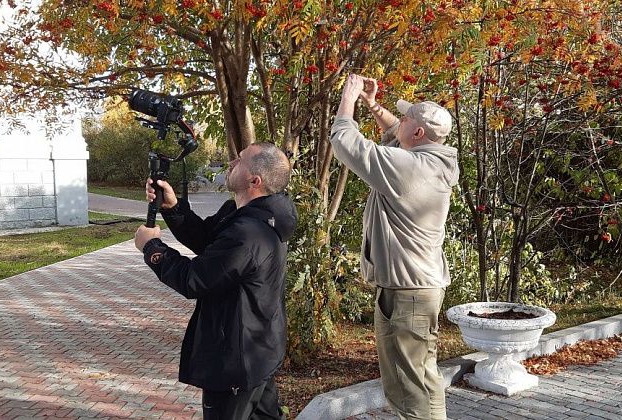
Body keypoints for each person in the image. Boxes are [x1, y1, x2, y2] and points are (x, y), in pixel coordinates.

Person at [134, 142, 296, 420]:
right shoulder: (246, 216)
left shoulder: (249, 233)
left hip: (237, 359)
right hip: (257, 352)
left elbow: (194, 280)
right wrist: (173, 207)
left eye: (240, 160)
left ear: (254, 180)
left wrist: (153, 250)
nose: (232, 162)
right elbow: (208, 241)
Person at [330, 74, 459, 420]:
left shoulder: (409, 168)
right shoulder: (434, 160)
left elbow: (344, 141)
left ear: (418, 133)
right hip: (417, 289)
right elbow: (395, 135)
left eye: (405, 119)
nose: (397, 121)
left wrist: (349, 98)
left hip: (407, 295)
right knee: (422, 380)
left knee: (409, 388)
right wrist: (372, 105)